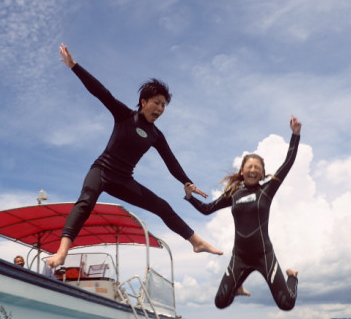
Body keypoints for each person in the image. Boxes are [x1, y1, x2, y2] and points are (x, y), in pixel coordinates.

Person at [47, 44, 222, 268]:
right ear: (144, 102)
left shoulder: (156, 135)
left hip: (124, 180)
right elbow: (101, 92)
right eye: (157, 102)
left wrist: (187, 182)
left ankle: (196, 242)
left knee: (162, 206)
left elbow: (171, 162)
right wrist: (74, 66)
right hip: (101, 170)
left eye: (164, 105)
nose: (160, 108)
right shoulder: (124, 115)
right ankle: (62, 253)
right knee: (86, 201)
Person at [184, 115, 301, 311]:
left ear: (262, 173)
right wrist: (189, 197)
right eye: (250, 166)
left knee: (286, 304)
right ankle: (237, 289)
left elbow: (288, 163)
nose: (253, 169)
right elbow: (207, 209)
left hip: (264, 255)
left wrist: (295, 135)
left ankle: (292, 277)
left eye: (257, 167)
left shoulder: (267, 189)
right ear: (242, 171)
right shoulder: (234, 194)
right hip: (240, 257)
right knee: (220, 303)